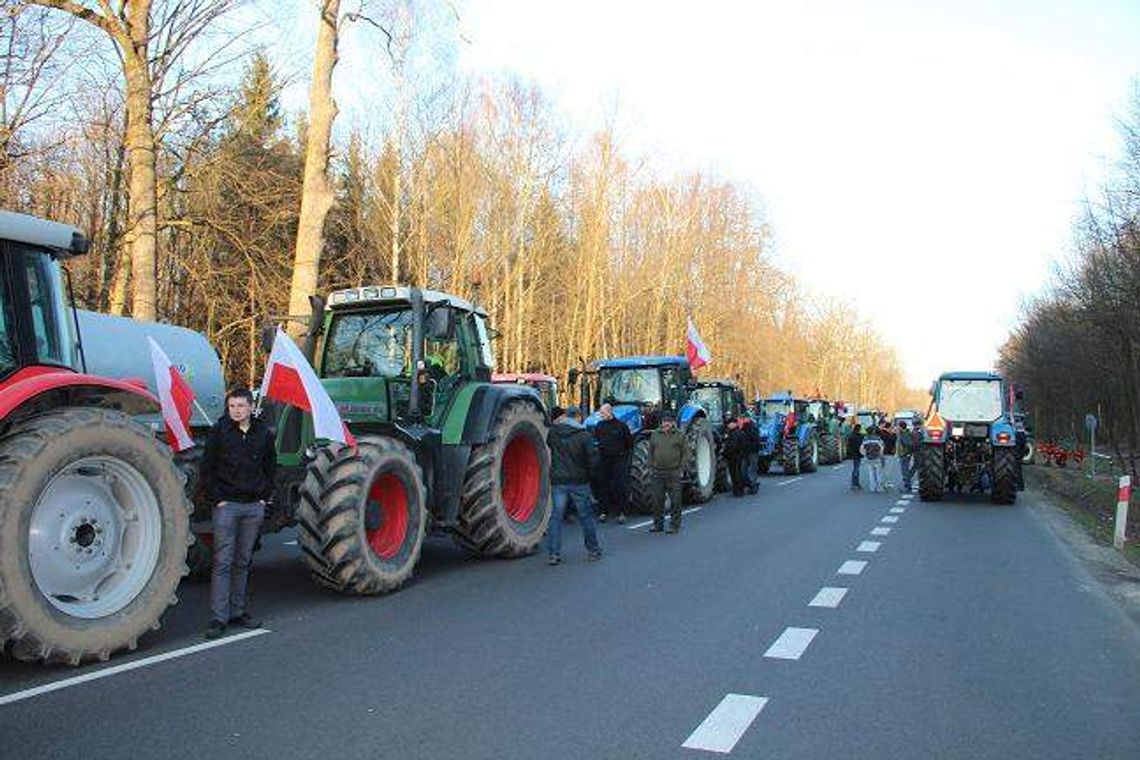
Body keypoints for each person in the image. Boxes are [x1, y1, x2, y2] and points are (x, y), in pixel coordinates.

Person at [201, 388, 276, 639]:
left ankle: (237, 611)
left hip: (253, 506)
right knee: (223, 561)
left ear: (250, 407)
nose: (236, 410)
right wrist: (218, 499)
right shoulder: (219, 432)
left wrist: (264, 497)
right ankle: (218, 618)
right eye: (232, 406)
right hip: (227, 506)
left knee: (243, 561)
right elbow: (206, 468)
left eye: (241, 406)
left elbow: (270, 466)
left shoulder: (263, 433)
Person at [545, 405, 602, 565]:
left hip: (559, 481)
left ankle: (554, 554)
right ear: (577, 417)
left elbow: (549, 445)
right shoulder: (583, 435)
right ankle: (593, 550)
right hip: (579, 480)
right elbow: (592, 458)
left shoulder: (554, 432)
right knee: (585, 516)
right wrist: (590, 475)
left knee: (555, 518)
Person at [593, 403, 634, 524]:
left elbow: (629, 443)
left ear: (610, 412)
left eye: (603, 413)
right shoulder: (599, 426)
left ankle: (622, 512)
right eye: (601, 413)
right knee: (603, 486)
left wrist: (623, 455)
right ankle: (603, 512)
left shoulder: (621, 426)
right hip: (604, 459)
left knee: (620, 486)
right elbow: (598, 440)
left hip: (619, 459)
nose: (601, 415)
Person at [649, 413, 688, 533]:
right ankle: (657, 525)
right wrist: (650, 467)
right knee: (657, 500)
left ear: (672, 423)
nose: (666, 423)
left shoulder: (680, 435)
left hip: (674, 472)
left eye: (668, 421)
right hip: (657, 472)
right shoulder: (655, 434)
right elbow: (651, 452)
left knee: (675, 500)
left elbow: (685, 453)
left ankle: (674, 525)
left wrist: (681, 470)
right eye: (664, 421)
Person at [724, 418, 746, 497]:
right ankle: (739, 490)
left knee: (735, 473)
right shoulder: (739, 432)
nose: (728, 426)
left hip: (734, 456)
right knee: (738, 473)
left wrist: (726, 452)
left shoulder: (734, 433)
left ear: (733, 424)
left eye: (729, 424)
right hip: (738, 455)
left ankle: (738, 491)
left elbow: (733, 446)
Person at [740, 415, 761, 495]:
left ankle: (753, 486)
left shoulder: (752, 428)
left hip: (752, 452)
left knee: (751, 469)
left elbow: (755, 440)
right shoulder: (743, 428)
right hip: (746, 452)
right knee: (744, 470)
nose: (742, 420)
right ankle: (749, 484)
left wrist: (750, 447)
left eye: (744, 418)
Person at [860, 426, 886, 493]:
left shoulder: (865, 439)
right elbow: (882, 448)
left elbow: (862, 449)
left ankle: (872, 488)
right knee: (878, 473)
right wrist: (881, 456)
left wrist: (865, 455)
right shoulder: (878, 439)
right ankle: (879, 488)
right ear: (873, 431)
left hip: (868, 458)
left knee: (871, 473)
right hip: (877, 457)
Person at [897, 420, 915, 492]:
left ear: (901, 427)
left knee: (905, 471)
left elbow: (909, 444)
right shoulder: (904, 433)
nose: (897, 427)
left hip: (904, 455)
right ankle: (907, 486)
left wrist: (907, 453)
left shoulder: (904, 434)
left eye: (898, 426)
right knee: (905, 471)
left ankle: (907, 487)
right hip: (904, 454)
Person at [847, 423, 864, 490]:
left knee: (856, 469)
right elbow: (861, 446)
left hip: (853, 454)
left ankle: (856, 484)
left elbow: (849, 446)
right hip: (858, 454)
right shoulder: (859, 437)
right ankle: (855, 484)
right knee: (856, 469)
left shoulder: (851, 436)